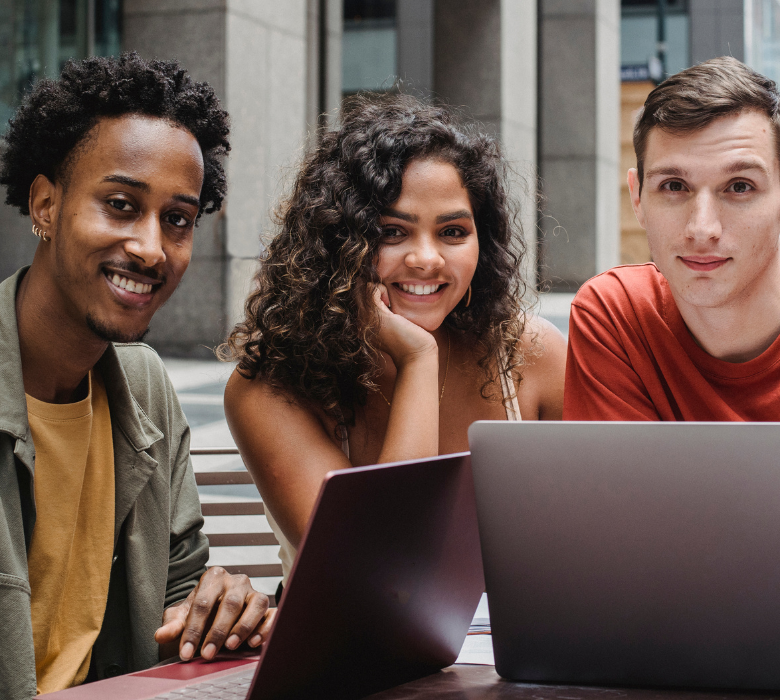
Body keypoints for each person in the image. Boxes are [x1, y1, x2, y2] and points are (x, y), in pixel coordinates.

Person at [0, 53, 271, 699]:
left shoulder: (142, 383)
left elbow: (178, 592)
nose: (152, 248)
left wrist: (219, 606)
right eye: (121, 205)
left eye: (177, 220)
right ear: (44, 204)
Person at [222, 94, 566, 596]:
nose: (426, 260)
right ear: (339, 241)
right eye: (392, 232)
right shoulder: (271, 389)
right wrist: (417, 359)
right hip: (356, 664)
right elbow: (384, 575)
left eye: (452, 232)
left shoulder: (529, 355)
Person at [564, 57, 780, 421]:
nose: (701, 228)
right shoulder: (618, 315)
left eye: (739, 187)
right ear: (637, 198)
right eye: (674, 186)